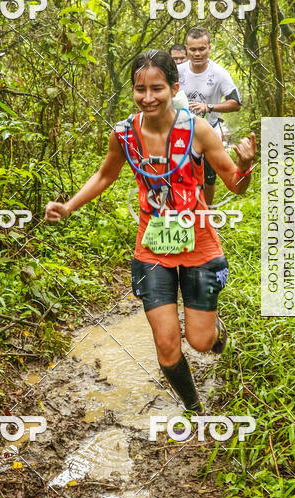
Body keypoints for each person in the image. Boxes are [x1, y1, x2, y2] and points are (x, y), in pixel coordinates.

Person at [45, 50, 256, 414]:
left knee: (201, 342)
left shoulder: (198, 130)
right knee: (167, 345)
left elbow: (235, 185)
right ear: (132, 90)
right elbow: (104, 175)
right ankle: (194, 409)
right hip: (152, 252)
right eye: (139, 89)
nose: (148, 97)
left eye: (157, 88)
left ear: (174, 88)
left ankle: (212, 329)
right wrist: (68, 207)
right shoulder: (124, 134)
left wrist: (245, 165)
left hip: (199, 246)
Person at [177, 28, 241, 206]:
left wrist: (209, 106)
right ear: (186, 49)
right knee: (179, 173)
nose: (197, 53)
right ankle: (180, 211)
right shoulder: (177, 70)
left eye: (202, 49)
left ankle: (207, 212)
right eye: (193, 49)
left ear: (209, 48)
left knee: (209, 177)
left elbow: (235, 102)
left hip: (209, 129)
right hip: (180, 129)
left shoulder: (219, 73)